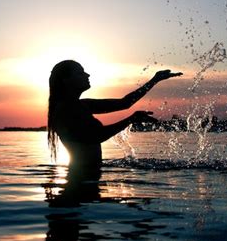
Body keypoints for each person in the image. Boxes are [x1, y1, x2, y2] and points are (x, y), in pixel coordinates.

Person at [47, 60, 182, 170]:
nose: (87, 75)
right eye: (80, 73)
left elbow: (125, 103)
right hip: (81, 178)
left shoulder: (83, 105)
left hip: (88, 173)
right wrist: (130, 120)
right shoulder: (65, 108)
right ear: (66, 80)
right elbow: (95, 136)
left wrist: (155, 80)